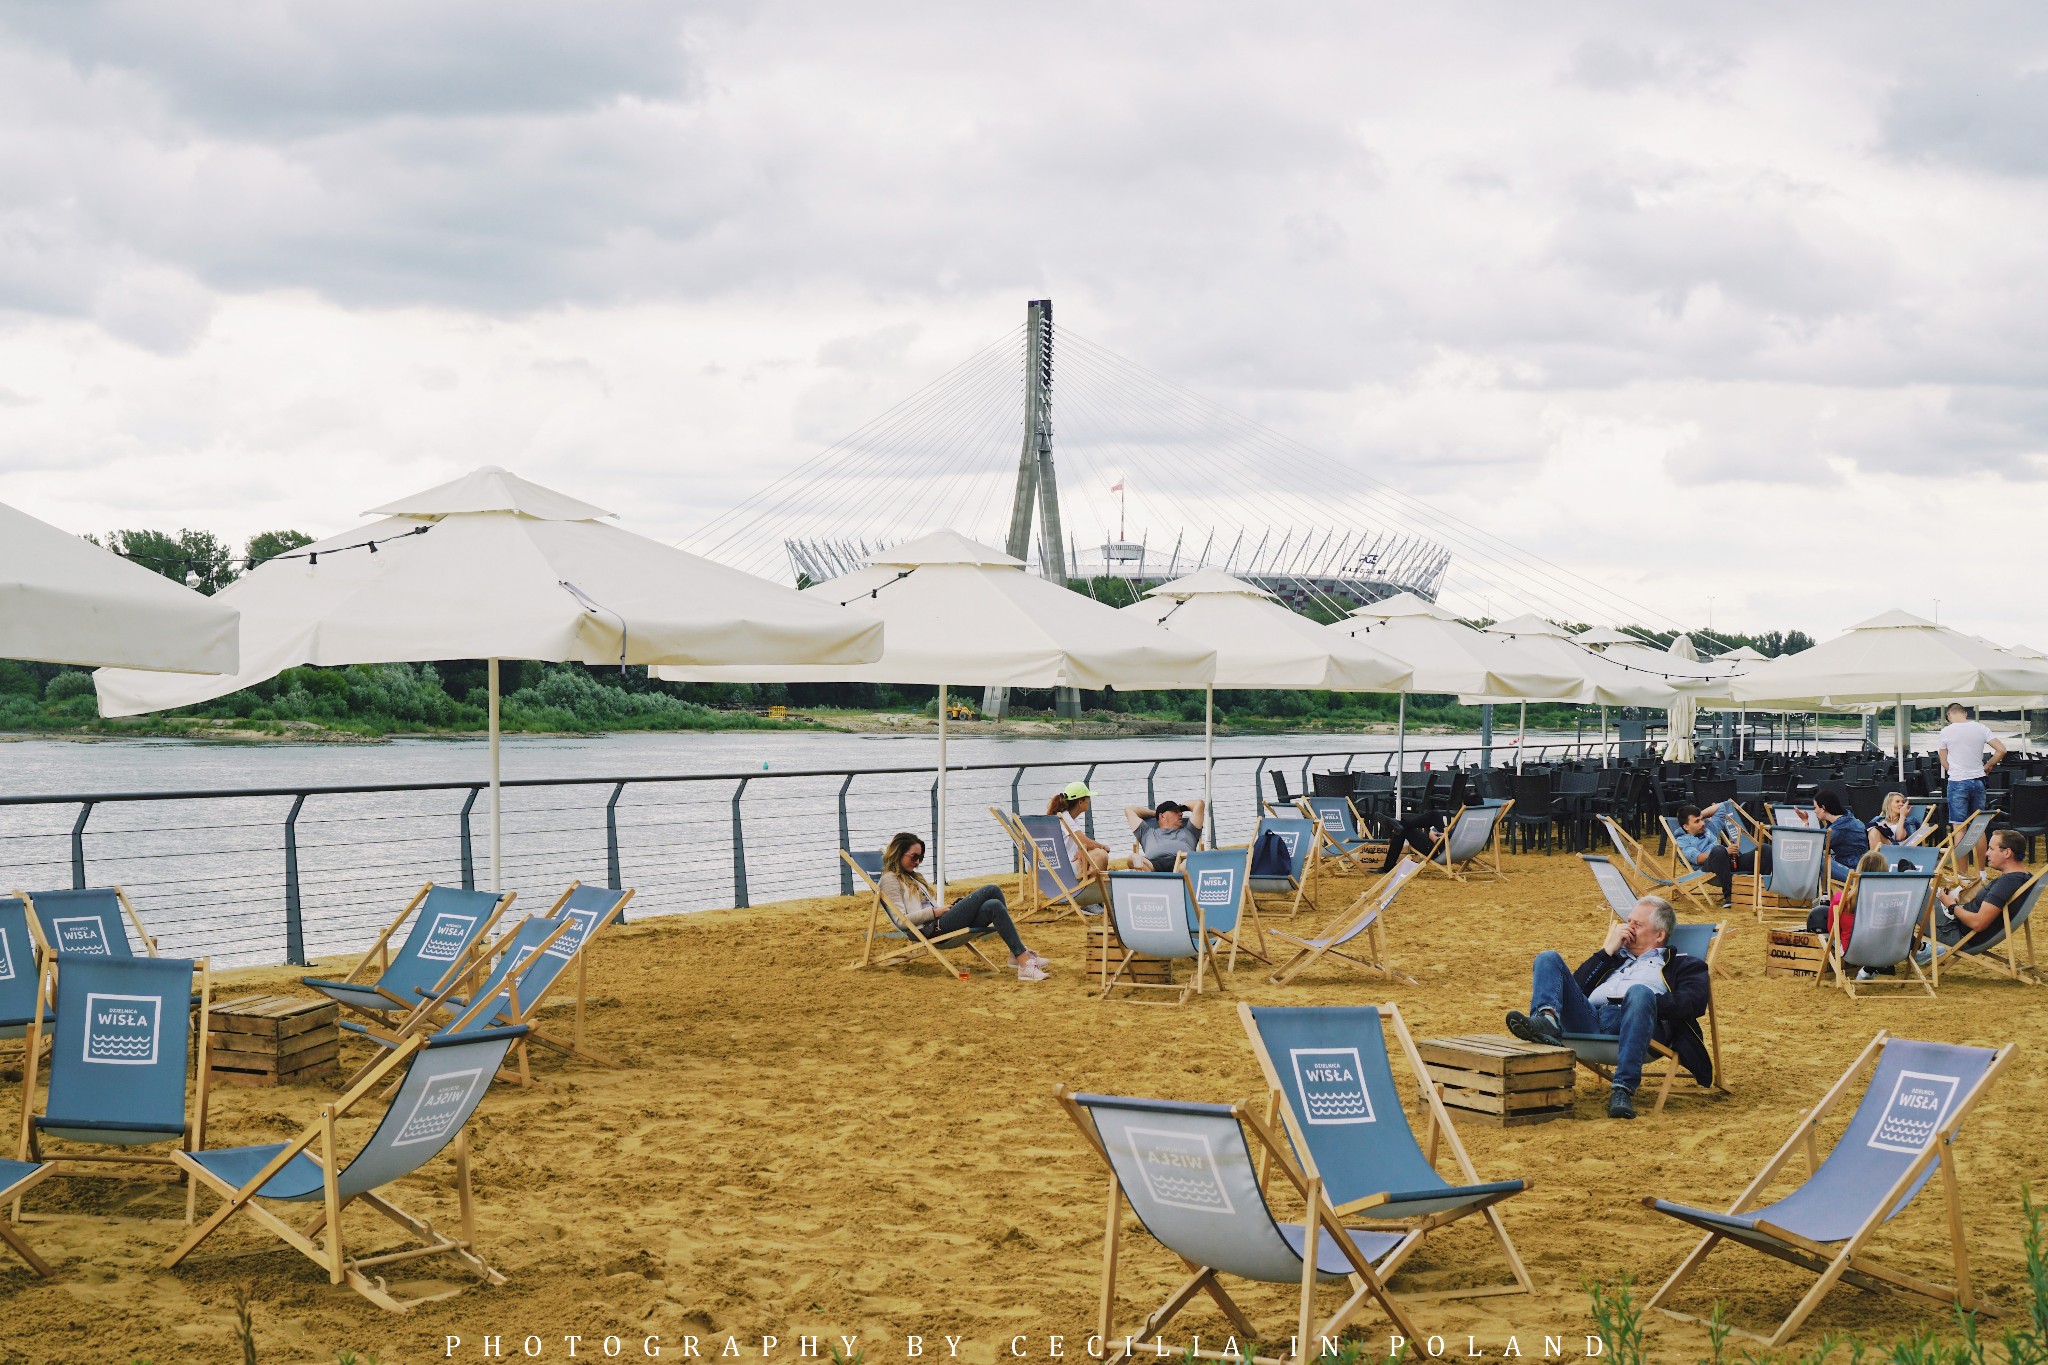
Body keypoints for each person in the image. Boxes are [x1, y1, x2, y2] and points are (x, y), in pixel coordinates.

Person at [1504, 895, 1711, 1120]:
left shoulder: (1682, 963)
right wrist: (1606, 952)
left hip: (1637, 1023)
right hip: (1591, 1019)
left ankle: (1623, 1090)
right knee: (1548, 958)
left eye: (1637, 925)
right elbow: (1572, 987)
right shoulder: (1614, 958)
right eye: (1628, 921)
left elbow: (1694, 1002)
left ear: (1659, 935)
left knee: (1640, 991)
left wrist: (1644, 1000)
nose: (1628, 928)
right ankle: (1548, 1020)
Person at [877, 832, 1049, 981]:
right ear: (899, 853)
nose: (918, 862)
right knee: (992, 889)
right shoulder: (890, 879)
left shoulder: (913, 877)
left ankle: (1017, 954)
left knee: (994, 905)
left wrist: (945, 909)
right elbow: (901, 921)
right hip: (930, 929)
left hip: (941, 921)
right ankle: (1023, 960)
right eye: (914, 857)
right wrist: (935, 912)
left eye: (920, 858)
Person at [1919, 829, 2034, 963]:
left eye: (1991, 849)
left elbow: (1978, 923)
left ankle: (1914, 948)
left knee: (1912, 885)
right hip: (1960, 927)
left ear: (2007, 852)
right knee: (1915, 880)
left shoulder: (2007, 883)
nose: (1986, 853)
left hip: (1954, 934)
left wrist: (1951, 905)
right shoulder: (2025, 878)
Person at [1938, 704, 2006, 877]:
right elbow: (2001, 750)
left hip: (1957, 781)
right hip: (1978, 780)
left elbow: (1944, 761)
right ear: (1965, 713)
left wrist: (1952, 770)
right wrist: (1988, 765)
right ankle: (1981, 872)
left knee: (1959, 828)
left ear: (1949, 715)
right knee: (1979, 827)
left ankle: (1962, 874)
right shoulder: (1980, 728)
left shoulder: (1946, 731)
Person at [1808, 850, 1897, 978]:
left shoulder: (1841, 899)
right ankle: (1922, 948)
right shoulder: (1892, 901)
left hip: (1853, 952)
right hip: (1886, 952)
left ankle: (1868, 968)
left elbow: (1832, 929)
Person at [1671, 803, 1772, 910]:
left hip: (1729, 862)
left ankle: (1763, 891)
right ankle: (1730, 897)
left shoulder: (1709, 828)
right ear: (1685, 826)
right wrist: (1725, 851)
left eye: (1701, 819)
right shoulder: (1683, 840)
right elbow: (1698, 858)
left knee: (1765, 849)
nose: (1702, 823)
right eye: (1697, 821)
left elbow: (1721, 807)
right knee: (1718, 850)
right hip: (1709, 868)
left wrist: (1699, 814)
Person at [1048, 783, 1112, 876]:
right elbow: (1086, 843)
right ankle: (1092, 888)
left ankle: (1090, 885)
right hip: (1064, 868)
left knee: (1095, 853)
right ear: (1080, 802)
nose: (1089, 801)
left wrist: (1081, 850)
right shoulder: (1065, 818)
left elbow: (1080, 842)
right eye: (1088, 798)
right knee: (1101, 855)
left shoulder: (1069, 816)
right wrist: (1102, 846)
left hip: (1063, 863)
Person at [1124, 799, 1206, 871]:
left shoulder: (1190, 831)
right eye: (1175, 811)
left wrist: (1183, 806)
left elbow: (1199, 804)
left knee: (1189, 862)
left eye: (1180, 811)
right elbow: (1129, 810)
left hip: (1181, 864)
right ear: (1162, 816)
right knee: (1132, 858)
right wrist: (1155, 813)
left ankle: (1177, 879)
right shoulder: (1147, 832)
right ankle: (1152, 879)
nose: (1181, 814)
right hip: (1152, 866)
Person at [1811, 787, 1868, 884]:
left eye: (1815, 807)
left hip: (1853, 871)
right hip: (1854, 864)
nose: (1814, 811)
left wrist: (1805, 824)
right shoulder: (1844, 820)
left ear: (1823, 808)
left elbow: (1816, 845)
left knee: (1815, 858)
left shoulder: (1840, 828)